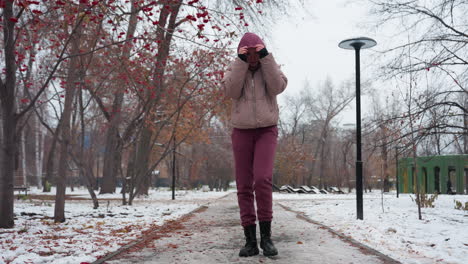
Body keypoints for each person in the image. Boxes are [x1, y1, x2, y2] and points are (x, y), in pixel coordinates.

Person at [221, 32, 287, 257]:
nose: (252, 58)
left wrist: (266, 57)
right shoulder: (233, 68)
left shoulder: (269, 64)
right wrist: (240, 63)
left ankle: (267, 238)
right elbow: (230, 91)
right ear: (241, 53)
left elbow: (278, 87)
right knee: (244, 185)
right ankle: (250, 240)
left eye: (255, 53)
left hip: (266, 130)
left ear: (261, 51)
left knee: (262, 178)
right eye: (247, 54)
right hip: (241, 131)